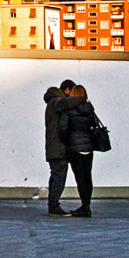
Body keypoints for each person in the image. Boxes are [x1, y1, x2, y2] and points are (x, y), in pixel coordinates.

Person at [43, 80, 86, 216]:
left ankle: (52, 205)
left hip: (54, 148)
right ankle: (54, 206)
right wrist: (82, 99)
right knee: (59, 178)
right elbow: (65, 103)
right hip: (58, 149)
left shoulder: (51, 104)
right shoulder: (55, 102)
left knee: (55, 177)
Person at [58, 84, 96, 218]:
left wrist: (66, 140)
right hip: (88, 147)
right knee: (87, 177)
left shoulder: (69, 110)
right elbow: (93, 124)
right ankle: (87, 205)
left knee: (80, 178)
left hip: (74, 148)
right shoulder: (90, 108)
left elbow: (63, 128)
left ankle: (85, 207)